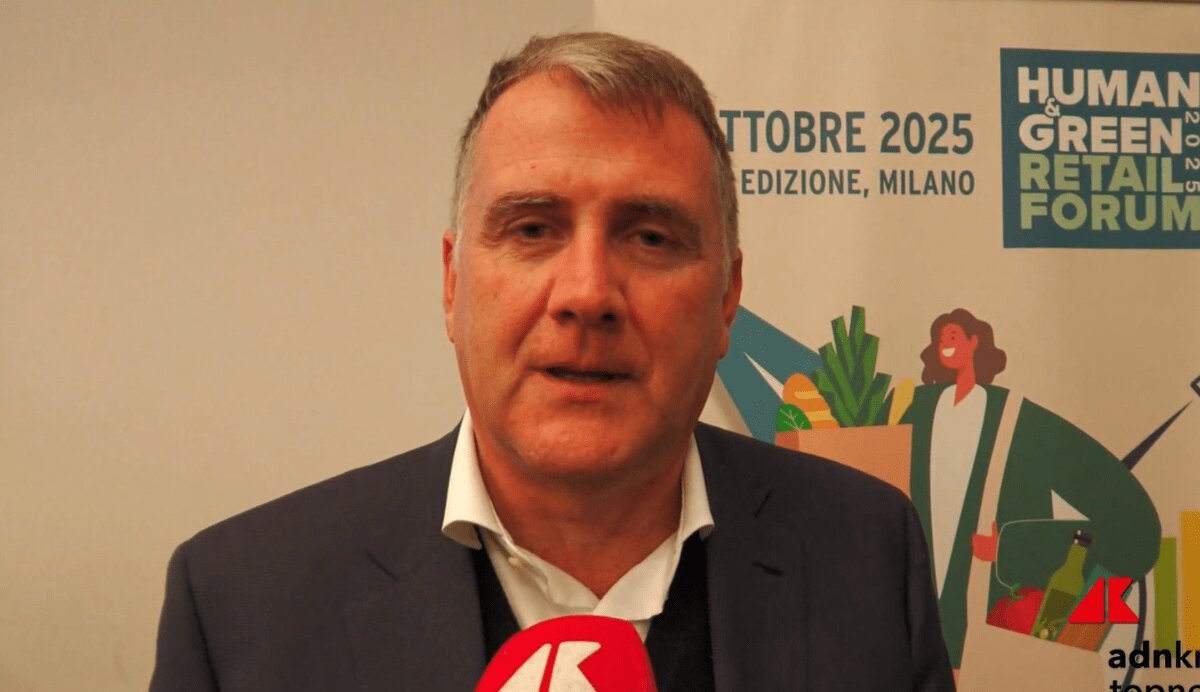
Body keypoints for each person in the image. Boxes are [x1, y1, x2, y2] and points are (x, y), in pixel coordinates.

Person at [150, 32, 954, 691]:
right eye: (533, 229)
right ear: (453, 283)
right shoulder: (240, 606)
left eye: (651, 237)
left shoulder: (869, 555)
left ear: (726, 300)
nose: (587, 293)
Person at [901, 308, 1160, 672]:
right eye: (940, 337)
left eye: (955, 334)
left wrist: (1011, 548)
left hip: (999, 652)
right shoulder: (913, 413)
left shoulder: (1020, 422)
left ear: (976, 342)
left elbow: (1137, 531)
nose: (946, 341)